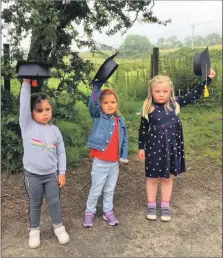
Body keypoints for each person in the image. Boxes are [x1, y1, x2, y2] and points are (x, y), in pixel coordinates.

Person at [138, 69, 216, 222]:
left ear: (171, 91)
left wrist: (207, 80)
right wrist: (141, 147)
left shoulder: (175, 103)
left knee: (167, 178)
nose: (161, 94)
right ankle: (152, 205)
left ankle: (165, 206)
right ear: (151, 92)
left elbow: (193, 94)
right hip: (153, 150)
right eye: (157, 91)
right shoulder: (148, 107)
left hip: (171, 149)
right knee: (152, 179)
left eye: (165, 91)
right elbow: (142, 130)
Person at [19, 79, 70, 248]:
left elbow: (61, 152)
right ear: (31, 112)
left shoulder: (55, 131)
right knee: (35, 204)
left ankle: (58, 227)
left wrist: (61, 172)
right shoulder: (27, 126)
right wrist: (26, 83)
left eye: (47, 109)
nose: (44, 113)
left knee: (54, 202)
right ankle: (34, 230)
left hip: (51, 175)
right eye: (39, 110)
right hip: (32, 175)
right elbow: (24, 104)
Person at [83, 82, 128, 228]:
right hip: (100, 162)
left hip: (114, 163)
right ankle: (89, 211)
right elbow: (93, 104)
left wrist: (124, 155)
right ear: (100, 105)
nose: (109, 105)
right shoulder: (98, 116)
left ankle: (107, 211)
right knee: (96, 188)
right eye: (105, 102)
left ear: (117, 103)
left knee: (110, 189)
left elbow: (125, 139)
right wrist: (96, 87)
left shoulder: (120, 120)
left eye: (112, 102)